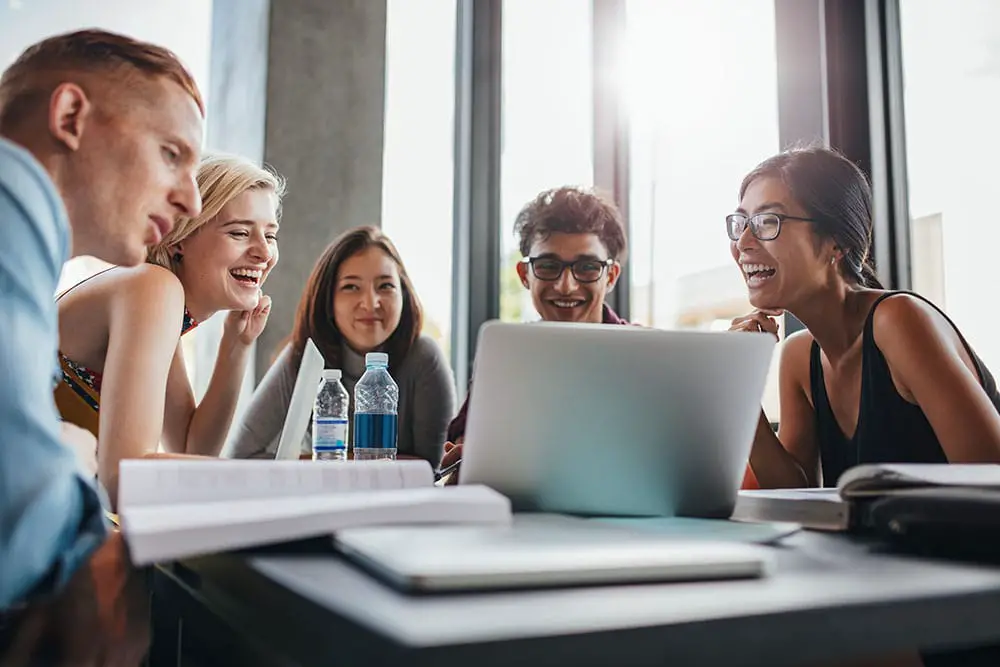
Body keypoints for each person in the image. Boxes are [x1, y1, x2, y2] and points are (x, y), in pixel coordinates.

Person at [0, 28, 204, 662]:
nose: (190, 199)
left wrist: (70, 448)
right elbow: (20, 500)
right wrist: (73, 464)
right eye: (171, 153)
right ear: (69, 117)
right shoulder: (13, 195)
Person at [728, 145, 1000, 492]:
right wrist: (740, 385)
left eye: (768, 222)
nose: (743, 242)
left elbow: (992, 480)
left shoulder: (899, 321)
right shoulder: (800, 356)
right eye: (740, 224)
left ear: (835, 243)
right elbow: (795, 492)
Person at [54, 153, 284, 508]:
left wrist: (236, 347)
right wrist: (273, 481)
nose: (264, 252)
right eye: (239, 232)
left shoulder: (163, 302)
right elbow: (123, 479)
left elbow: (193, 448)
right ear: (179, 237)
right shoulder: (154, 287)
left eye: (270, 235)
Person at [440, 185, 630, 481]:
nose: (566, 285)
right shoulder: (506, 356)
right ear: (524, 275)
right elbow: (464, 447)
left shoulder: (648, 359)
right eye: (548, 266)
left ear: (611, 276)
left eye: (588, 267)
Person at [228, 225, 455, 468]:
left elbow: (433, 470)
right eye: (351, 287)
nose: (370, 303)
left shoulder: (424, 357)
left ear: (404, 294)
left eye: (385, 286)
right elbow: (240, 455)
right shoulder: (304, 356)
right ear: (328, 300)